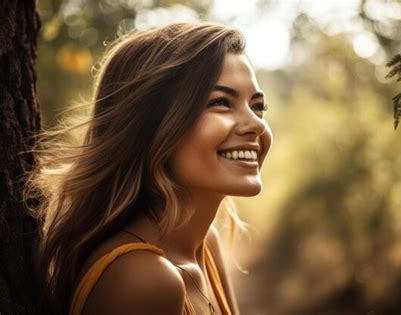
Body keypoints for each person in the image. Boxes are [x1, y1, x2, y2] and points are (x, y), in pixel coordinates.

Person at [24, 22, 272, 315]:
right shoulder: (143, 279)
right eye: (220, 103)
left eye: (257, 107)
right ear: (153, 126)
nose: (256, 124)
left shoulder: (205, 245)